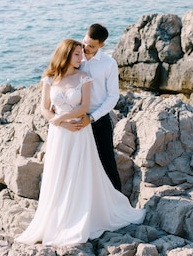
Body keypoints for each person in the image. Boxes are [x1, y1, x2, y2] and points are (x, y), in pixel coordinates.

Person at [15, 39, 145, 246]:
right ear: (65, 55)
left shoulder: (84, 77)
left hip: (79, 131)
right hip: (60, 133)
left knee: (80, 171)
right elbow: (44, 108)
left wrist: (61, 119)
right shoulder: (49, 78)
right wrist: (59, 122)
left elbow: (84, 107)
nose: (81, 57)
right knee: (59, 172)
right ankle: (57, 217)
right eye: (77, 54)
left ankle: (81, 214)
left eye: (80, 53)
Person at [77, 24, 122, 191]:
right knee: (81, 164)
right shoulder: (75, 56)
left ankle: (119, 202)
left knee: (107, 162)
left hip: (99, 119)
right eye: (85, 42)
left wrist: (93, 117)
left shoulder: (109, 64)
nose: (86, 48)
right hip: (76, 118)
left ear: (101, 45)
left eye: (91, 46)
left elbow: (113, 96)